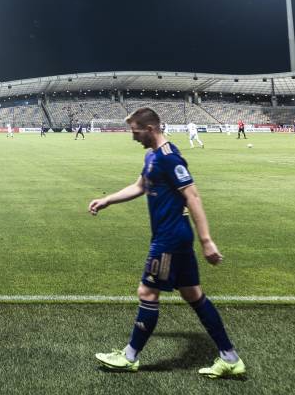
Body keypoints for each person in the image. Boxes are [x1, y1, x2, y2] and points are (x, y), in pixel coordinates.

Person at [88, 107, 244, 377]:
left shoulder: (170, 158)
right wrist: (107, 200)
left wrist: (207, 241)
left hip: (169, 238)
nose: (133, 137)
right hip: (173, 237)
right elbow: (139, 186)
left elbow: (192, 196)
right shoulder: (152, 157)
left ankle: (129, 356)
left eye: (135, 131)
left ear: (150, 129)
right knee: (193, 294)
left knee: (147, 293)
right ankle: (230, 358)